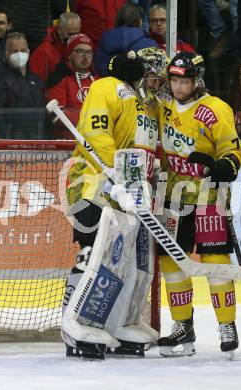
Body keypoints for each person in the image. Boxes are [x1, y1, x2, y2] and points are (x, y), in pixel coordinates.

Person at [62, 47, 169, 359]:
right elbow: (96, 134)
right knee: (90, 252)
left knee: (122, 261)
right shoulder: (107, 86)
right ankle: (73, 323)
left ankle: (114, 323)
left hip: (126, 192)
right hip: (91, 184)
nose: (156, 80)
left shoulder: (147, 105)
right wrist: (118, 173)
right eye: (150, 72)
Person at [156, 51, 241, 358]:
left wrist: (223, 166)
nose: (179, 87)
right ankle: (183, 325)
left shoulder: (215, 109)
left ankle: (227, 324)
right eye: (174, 80)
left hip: (210, 194)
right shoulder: (162, 106)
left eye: (185, 81)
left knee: (215, 260)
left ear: (197, 81)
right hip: (173, 194)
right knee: (171, 259)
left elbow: (235, 151)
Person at [0, 32, 46, 139]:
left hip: (37, 140)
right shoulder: (1, 81)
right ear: (7, 54)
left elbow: (43, 113)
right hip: (12, 143)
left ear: (28, 52)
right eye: (15, 51)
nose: (20, 54)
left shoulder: (36, 80)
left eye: (23, 50)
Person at [47, 33, 98, 139]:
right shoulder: (59, 79)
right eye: (80, 51)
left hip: (97, 142)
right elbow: (57, 115)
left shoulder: (99, 81)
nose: (85, 56)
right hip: (69, 145)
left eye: (89, 52)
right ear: (69, 54)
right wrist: (96, 119)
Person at [94, 3, 157, 76]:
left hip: (109, 85)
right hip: (138, 86)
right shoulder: (149, 44)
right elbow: (154, 73)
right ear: (140, 21)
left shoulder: (105, 39)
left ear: (118, 19)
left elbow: (99, 67)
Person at [29, 12, 81, 86]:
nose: (74, 38)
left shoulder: (82, 47)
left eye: (77, 34)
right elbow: (36, 85)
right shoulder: (43, 52)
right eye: (70, 34)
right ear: (59, 30)